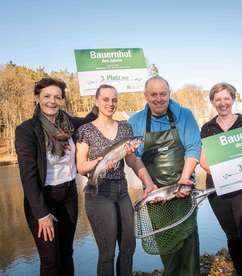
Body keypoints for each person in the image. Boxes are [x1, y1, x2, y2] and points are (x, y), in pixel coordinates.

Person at [15, 77, 97, 276]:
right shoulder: (27, 130)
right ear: (37, 98)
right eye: (47, 96)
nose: (52, 101)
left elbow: (88, 119)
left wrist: (99, 102)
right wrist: (41, 214)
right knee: (51, 261)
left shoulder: (68, 123)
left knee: (67, 253)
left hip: (69, 195)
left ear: (62, 100)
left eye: (57, 97)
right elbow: (28, 176)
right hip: (43, 199)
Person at [76, 84, 155, 276]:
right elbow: (81, 166)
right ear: (96, 101)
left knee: (129, 248)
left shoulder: (126, 128)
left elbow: (132, 161)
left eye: (114, 100)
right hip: (98, 193)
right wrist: (99, 163)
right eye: (105, 99)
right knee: (107, 253)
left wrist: (148, 182)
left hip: (121, 192)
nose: (110, 104)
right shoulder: (85, 130)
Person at [128, 76, 201, 276]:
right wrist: (149, 184)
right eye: (154, 94)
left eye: (163, 94)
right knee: (166, 244)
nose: (159, 99)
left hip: (183, 189)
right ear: (146, 96)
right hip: (155, 195)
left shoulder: (184, 115)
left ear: (169, 94)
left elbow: (193, 148)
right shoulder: (136, 121)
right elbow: (133, 157)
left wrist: (184, 180)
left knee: (189, 242)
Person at [199, 82, 242, 276]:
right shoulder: (207, 128)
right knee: (233, 237)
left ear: (233, 99)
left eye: (226, 98)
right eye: (218, 99)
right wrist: (221, 172)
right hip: (218, 191)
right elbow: (203, 160)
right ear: (212, 102)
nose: (223, 103)